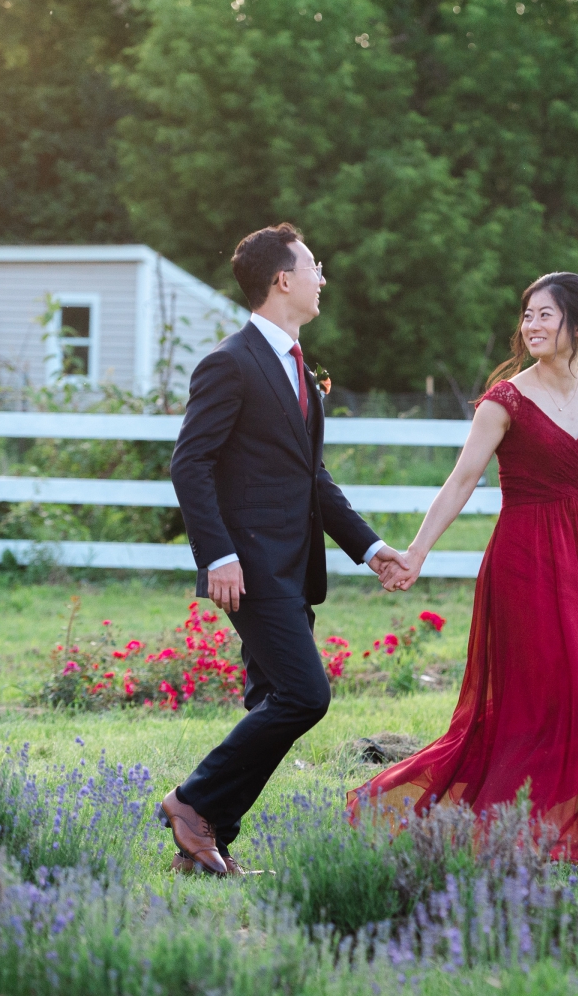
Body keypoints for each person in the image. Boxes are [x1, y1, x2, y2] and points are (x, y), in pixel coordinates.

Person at [356, 272, 578, 861]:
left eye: (545, 315)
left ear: (577, 325)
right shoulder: (503, 401)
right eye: (527, 315)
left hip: (577, 563)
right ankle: (478, 827)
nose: (530, 325)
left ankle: (536, 827)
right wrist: (416, 553)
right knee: (526, 702)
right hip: (521, 562)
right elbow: (461, 482)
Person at [162, 223, 409, 875]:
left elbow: (312, 480)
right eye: (314, 266)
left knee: (271, 702)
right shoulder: (230, 363)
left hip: (294, 569)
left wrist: (371, 547)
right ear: (283, 280)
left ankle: (207, 842)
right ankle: (191, 803)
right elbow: (190, 464)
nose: (322, 276)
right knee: (305, 696)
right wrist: (216, 555)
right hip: (248, 568)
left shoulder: (298, 368)